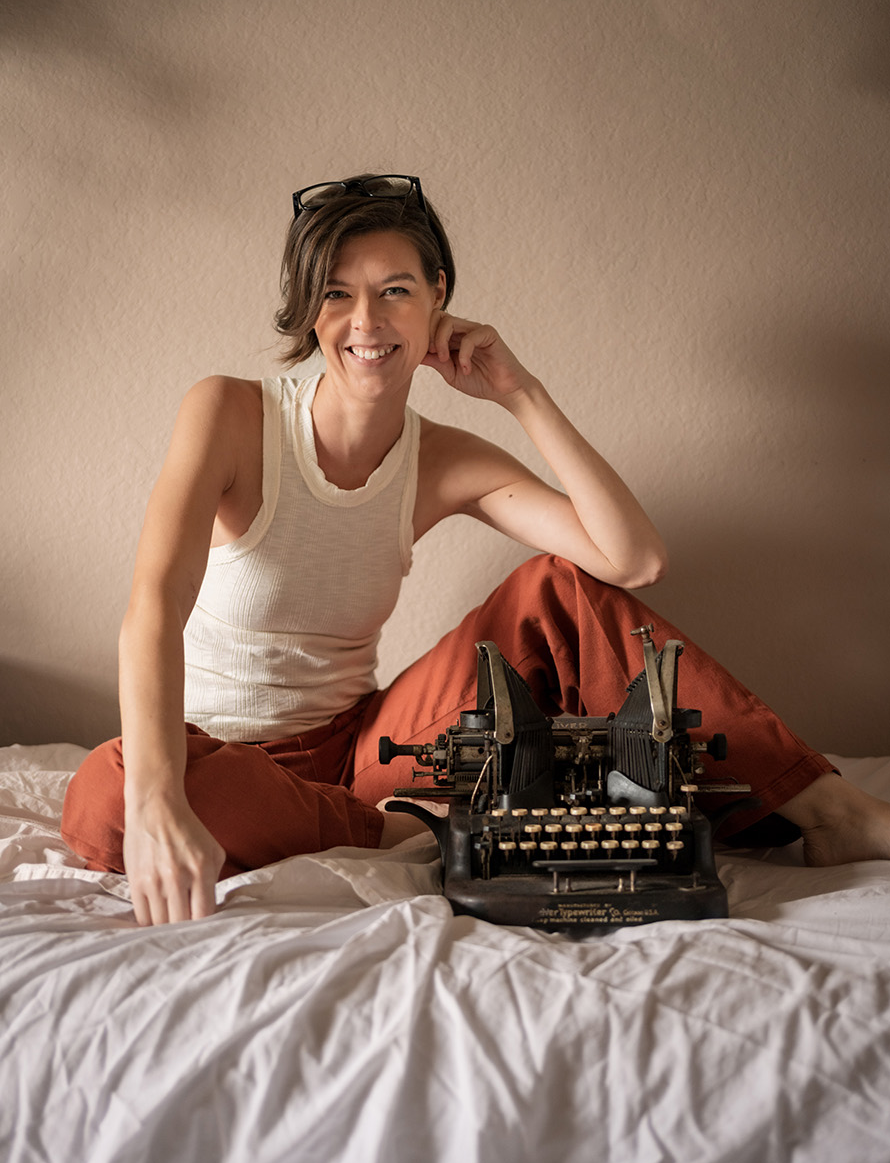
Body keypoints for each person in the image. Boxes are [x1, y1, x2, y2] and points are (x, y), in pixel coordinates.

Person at [61, 173, 890, 926]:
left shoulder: (441, 459)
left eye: (394, 290)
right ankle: (390, 832)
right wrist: (159, 796)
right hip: (215, 752)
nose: (365, 321)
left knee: (555, 588)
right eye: (337, 293)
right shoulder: (230, 414)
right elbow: (153, 608)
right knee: (109, 791)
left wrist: (520, 393)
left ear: (438, 299)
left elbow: (632, 559)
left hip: (367, 750)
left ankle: (832, 812)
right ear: (309, 307)